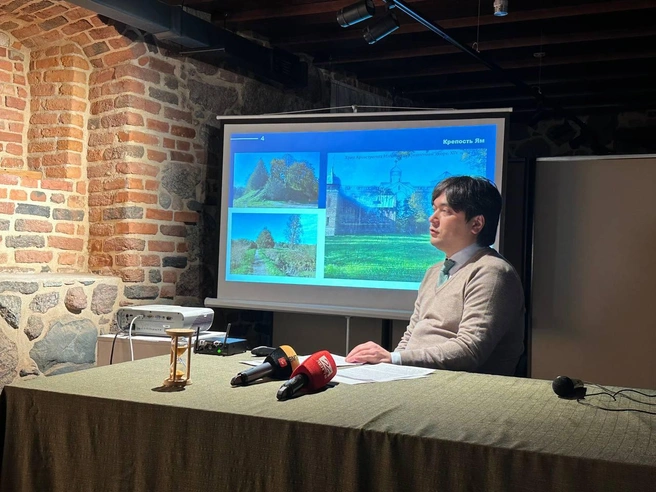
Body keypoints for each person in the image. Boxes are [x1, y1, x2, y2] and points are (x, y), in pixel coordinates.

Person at [345, 176, 525, 376]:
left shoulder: (492, 272)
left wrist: (394, 359)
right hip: (416, 379)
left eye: (445, 211)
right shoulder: (433, 271)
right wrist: (387, 369)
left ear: (476, 224)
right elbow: (410, 337)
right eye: (434, 209)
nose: (432, 218)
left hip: (459, 387)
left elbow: (470, 350)